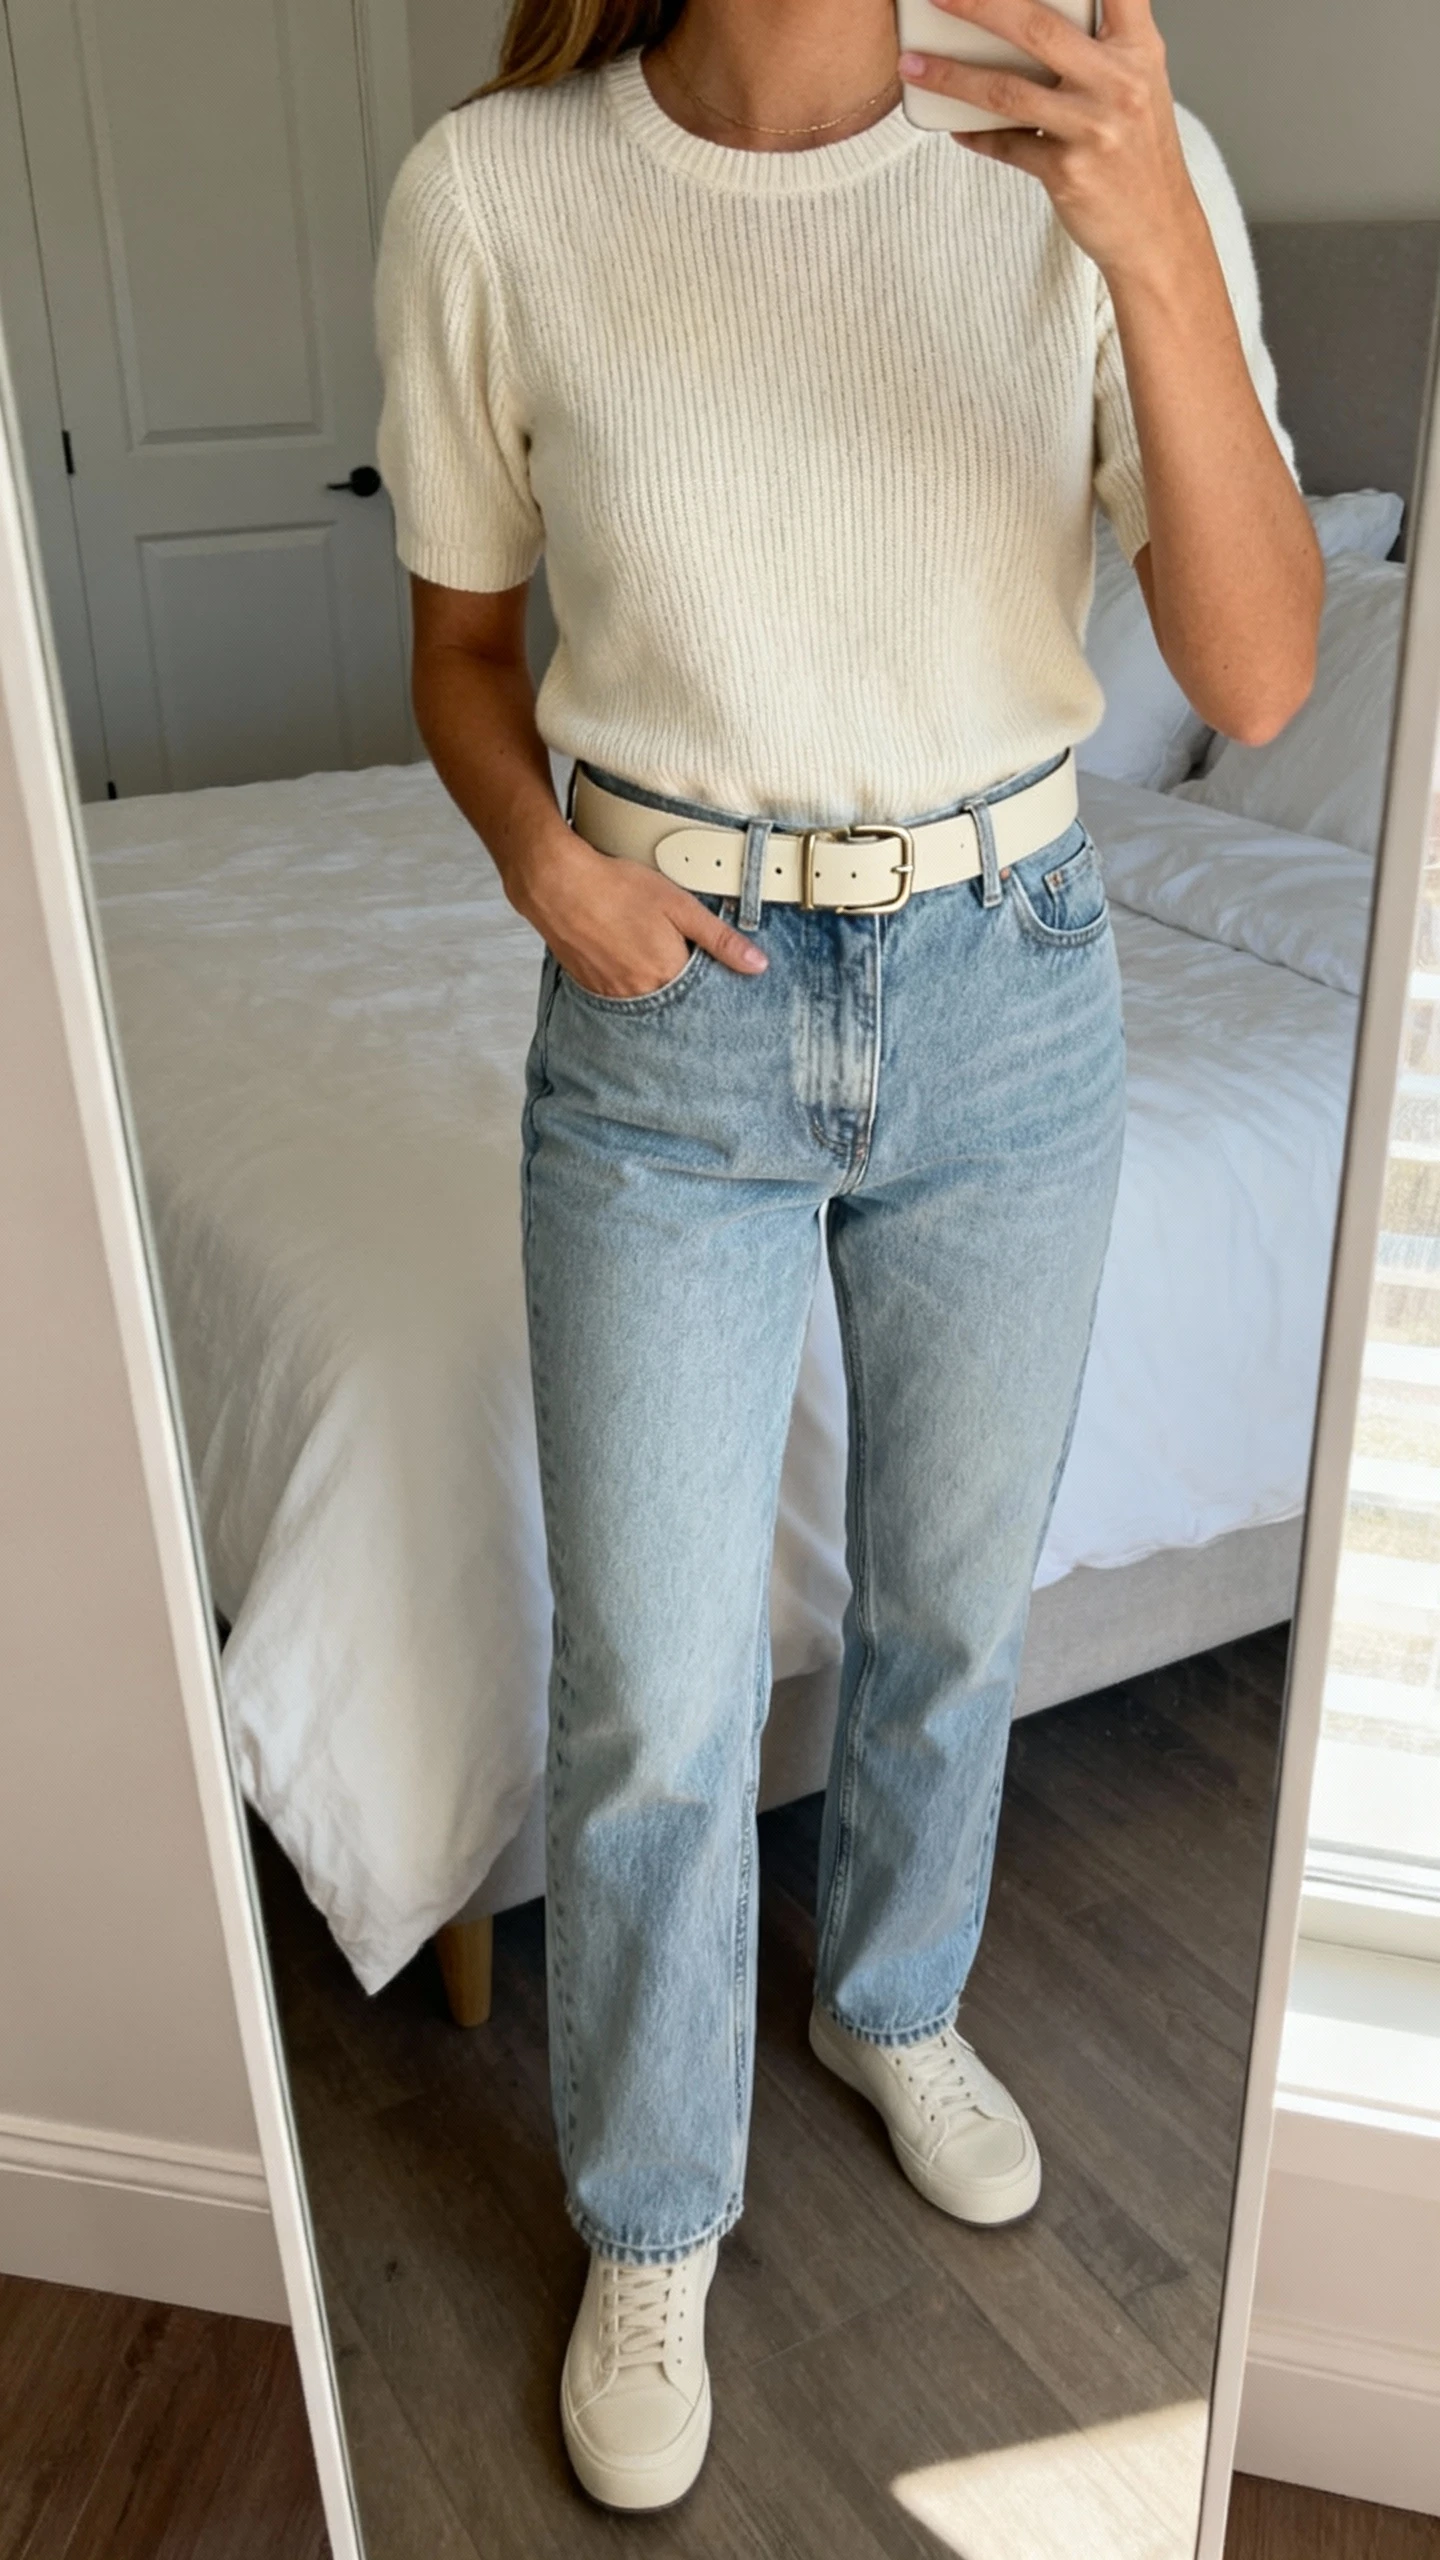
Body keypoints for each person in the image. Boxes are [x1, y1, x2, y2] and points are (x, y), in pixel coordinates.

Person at [375, 0, 1320, 2511]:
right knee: (661, 1686)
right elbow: (468, 650)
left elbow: (1257, 668)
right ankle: (655, 2207)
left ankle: (894, 2000)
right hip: (661, 1009)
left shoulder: (1107, 158)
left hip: (1014, 984)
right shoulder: (499, 193)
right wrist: (543, 861)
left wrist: (1144, 252)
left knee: (952, 1603)